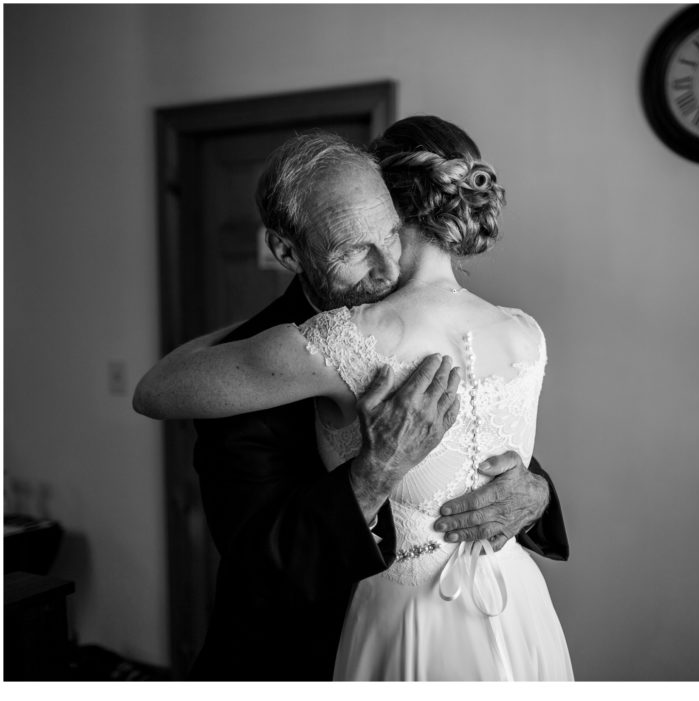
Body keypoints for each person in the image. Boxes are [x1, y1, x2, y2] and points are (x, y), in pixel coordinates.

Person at [135, 126, 568, 680]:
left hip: (483, 612)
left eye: (388, 233)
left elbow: (477, 454)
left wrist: (536, 493)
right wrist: (374, 471)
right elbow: (261, 562)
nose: (388, 271)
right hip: (299, 655)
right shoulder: (269, 357)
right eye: (352, 250)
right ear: (288, 252)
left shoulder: (414, 321)